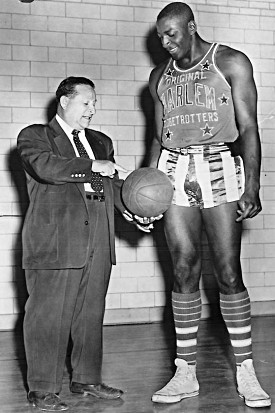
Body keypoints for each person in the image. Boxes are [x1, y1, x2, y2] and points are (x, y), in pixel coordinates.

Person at [148, 2, 271, 409]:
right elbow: (157, 135)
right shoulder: (158, 78)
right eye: (161, 35)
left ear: (191, 27)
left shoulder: (230, 61)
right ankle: (185, 372)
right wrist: (146, 186)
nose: (165, 42)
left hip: (219, 164)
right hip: (174, 168)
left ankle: (246, 369)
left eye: (172, 34)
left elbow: (250, 126)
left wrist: (251, 185)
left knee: (227, 270)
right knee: (183, 267)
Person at [17, 76, 154, 411]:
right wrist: (93, 165)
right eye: (86, 102)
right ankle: (42, 388)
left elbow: (105, 187)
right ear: (64, 101)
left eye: (95, 103)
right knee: (47, 316)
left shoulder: (101, 142)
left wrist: (134, 212)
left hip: (98, 239)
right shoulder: (37, 136)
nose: (93, 110)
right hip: (56, 241)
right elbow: (48, 168)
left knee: (91, 314)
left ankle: (87, 378)